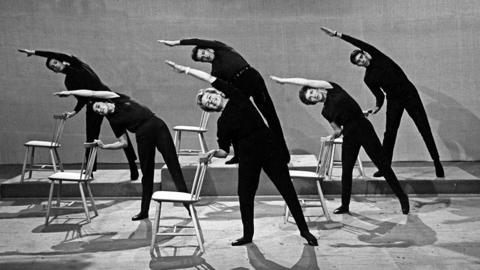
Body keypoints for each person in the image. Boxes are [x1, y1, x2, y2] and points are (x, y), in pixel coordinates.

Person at [165, 60, 318, 246]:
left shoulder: (236, 96)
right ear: (210, 109)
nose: (211, 101)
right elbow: (224, 151)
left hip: (269, 148)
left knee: (287, 190)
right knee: (245, 196)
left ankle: (304, 231)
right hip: (247, 157)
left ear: (215, 94)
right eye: (208, 104)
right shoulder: (222, 124)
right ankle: (248, 236)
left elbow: (210, 78)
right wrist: (212, 153)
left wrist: (187, 70)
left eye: (210, 97)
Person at [270, 75, 409, 215]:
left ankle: (402, 198)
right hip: (349, 134)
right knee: (346, 171)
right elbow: (338, 129)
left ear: (314, 88)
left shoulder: (332, 88)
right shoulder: (325, 112)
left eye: (311, 92)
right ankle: (345, 205)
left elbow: (305, 81)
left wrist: (284, 81)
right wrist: (333, 136)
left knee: (382, 165)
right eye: (310, 98)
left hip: (363, 127)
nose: (313, 96)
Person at [319, 27, 444, 178]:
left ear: (365, 54)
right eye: (358, 62)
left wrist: (338, 35)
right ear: (358, 65)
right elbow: (379, 95)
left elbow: (359, 42)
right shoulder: (368, 78)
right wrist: (377, 107)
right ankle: (385, 167)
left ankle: (436, 161)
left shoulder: (378, 57)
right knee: (390, 133)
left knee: (423, 127)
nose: (361, 61)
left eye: (361, 57)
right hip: (393, 99)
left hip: (409, 94)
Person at [53, 89, 189, 221]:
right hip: (142, 135)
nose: (99, 110)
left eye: (98, 106)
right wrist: (105, 146)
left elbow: (92, 93)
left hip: (158, 126)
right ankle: (144, 211)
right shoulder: (114, 121)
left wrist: (71, 93)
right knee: (147, 174)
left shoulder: (117, 98)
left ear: (104, 101)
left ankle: (188, 204)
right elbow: (123, 143)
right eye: (97, 111)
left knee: (173, 164)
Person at [158, 38, 290, 165]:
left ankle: (284, 154)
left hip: (252, 77)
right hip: (240, 87)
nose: (205, 57)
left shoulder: (221, 48)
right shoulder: (215, 71)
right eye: (202, 59)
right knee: (234, 119)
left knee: (270, 115)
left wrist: (176, 43)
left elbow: (197, 41)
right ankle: (239, 155)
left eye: (203, 53)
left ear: (209, 49)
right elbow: (221, 87)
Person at [18, 49, 139, 180]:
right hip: (92, 106)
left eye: (55, 63)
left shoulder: (77, 65)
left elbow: (60, 55)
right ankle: (90, 170)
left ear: (62, 61)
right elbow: (81, 99)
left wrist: (35, 52)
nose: (54, 67)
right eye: (52, 67)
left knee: (121, 133)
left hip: (107, 100)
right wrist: (73, 112)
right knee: (91, 137)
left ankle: (133, 165)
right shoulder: (68, 82)